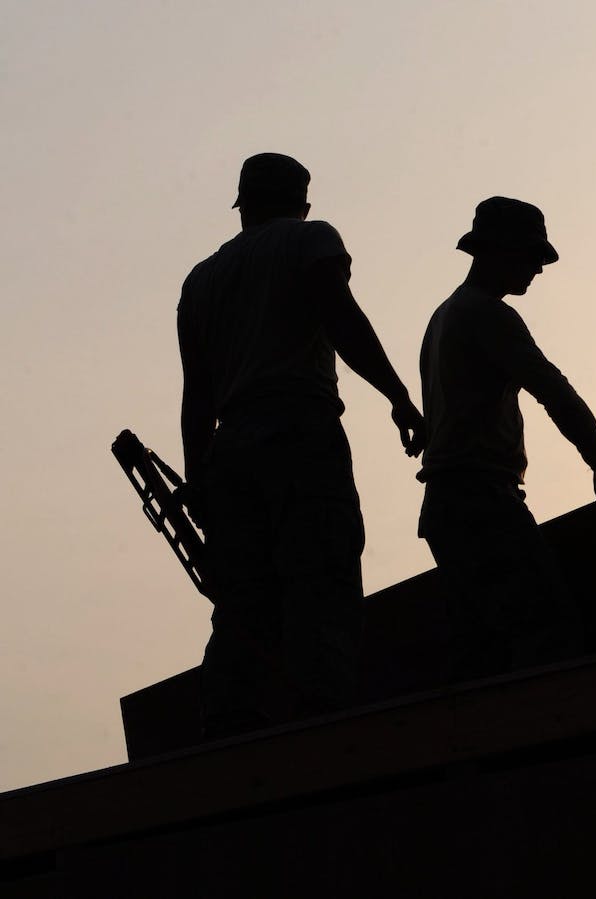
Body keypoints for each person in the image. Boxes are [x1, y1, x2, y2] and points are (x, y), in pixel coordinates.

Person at [177, 152, 426, 738]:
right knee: (322, 572)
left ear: (243, 207)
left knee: (241, 600)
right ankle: (326, 723)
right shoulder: (310, 240)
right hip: (298, 432)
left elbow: (196, 397)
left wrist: (198, 481)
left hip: (229, 450)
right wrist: (398, 396)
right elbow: (341, 319)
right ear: (301, 202)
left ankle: (229, 726)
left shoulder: (200, 281)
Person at [417, 197, 596, 680]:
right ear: (497, 251)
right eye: (530, 256)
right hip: (480, 500)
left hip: (449, 505)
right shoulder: (487, 315)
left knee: (482, 650)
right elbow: (553, 391)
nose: (537, 268)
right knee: (546, 633)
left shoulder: (443, 316)